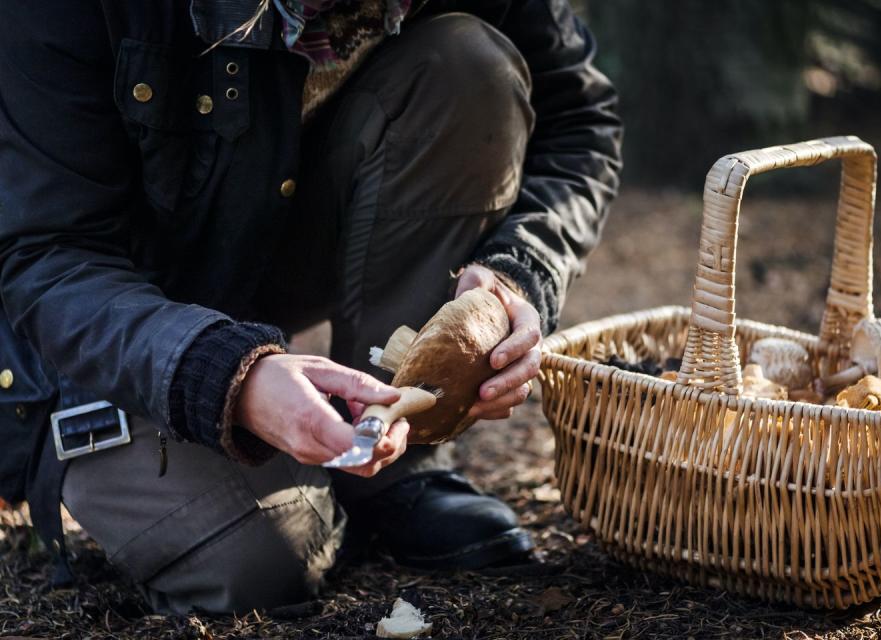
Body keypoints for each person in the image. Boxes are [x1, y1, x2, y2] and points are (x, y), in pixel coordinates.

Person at [0, 0, 622, 614]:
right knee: (265, 559)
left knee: (468, 66)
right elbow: (49, 256)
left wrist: (522, 270)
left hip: (255, 239)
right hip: (89, 330)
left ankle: (393, 462)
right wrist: (224, 374)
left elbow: (577, 121)